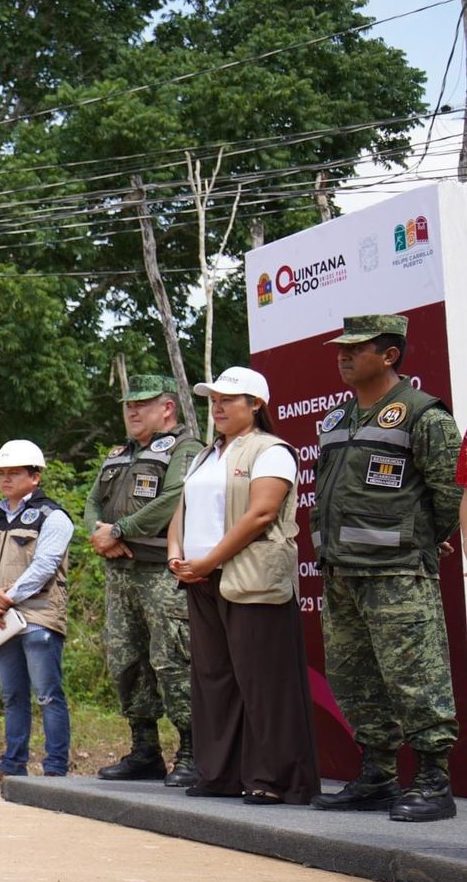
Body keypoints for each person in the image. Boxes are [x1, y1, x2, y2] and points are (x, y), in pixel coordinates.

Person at [311, 315, 463, 822]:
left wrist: (423, 540)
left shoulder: (426, 416)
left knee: (416, 676)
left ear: (390, 355)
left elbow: (449, 495)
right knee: (355, 679)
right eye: (341, 348)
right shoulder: (337, 419)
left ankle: (433, 781)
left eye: (356, 348)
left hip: (396, 573)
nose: (343, 356)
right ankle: (377, 774)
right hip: (341, 575)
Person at [167, 366, 319, 804]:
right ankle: (220, 774)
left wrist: (209, 560)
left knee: (263, 680)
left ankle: (273, 779)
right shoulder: (203, 455)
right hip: (199, 579)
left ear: (256, 404)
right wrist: (176, 554)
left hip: (249, 576)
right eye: (213, 399)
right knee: (214, 678)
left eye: (228, 399)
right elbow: (183, 506)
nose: (217, 406)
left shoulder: (270, 450)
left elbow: (260, 515)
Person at [85, 374, 201, 786]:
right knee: (126, 660)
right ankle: (144, 750)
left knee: (172, 660)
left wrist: (121, 530)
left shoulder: (186, 449)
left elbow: (176, 498)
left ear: (167, 408)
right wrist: (99, 535)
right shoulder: (118, 453)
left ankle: (192, 751)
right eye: (128, 405)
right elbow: (94, 500)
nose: (131, 411)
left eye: (142, 404)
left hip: (161, 573)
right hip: (120, 574)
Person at [0, 440, 74, 786]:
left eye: (14, 472)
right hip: (2, 618)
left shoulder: (54, 516)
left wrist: (7, 597)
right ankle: (12, 765)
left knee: (47, 693)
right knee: (13, 696)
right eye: (2, 473)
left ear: (35, 475)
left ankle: (55, 769)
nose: (6, 479)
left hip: (39, 614)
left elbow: (45, 565)